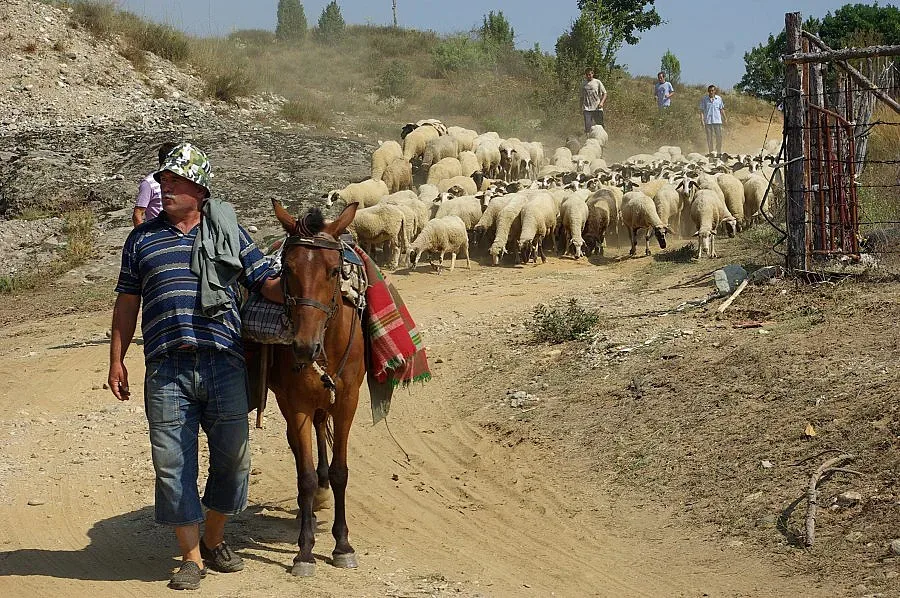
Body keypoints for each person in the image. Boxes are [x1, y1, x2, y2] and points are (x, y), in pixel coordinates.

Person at [108, 142, 282, 590]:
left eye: (176, 181)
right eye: (163, 181)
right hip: (166, 367)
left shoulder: (229, 231)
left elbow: (265, 283)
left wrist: (309, 270)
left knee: (235, 461)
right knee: (172, 464)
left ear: (200, 190)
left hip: (224, 363)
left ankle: (214, 538)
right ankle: (191, 558)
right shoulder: (141, 239)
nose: (165, 188)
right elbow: (127, 302)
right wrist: (116, 359)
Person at [132, 142, 177, 227]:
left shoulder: (182, 181)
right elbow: (138, 214)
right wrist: (141, 233)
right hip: (157, 231)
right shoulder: (149, 183)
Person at [699, 84, 726, 155]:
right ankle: (711, 152)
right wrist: (702, 120)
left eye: (712, 90)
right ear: (708, 91)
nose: (711, 92)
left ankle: (719, 151)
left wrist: (725, 118)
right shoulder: (704, 99)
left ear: (715, 91)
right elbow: (701, 111)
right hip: (708, 121)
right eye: (710, 91)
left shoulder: (719, 99)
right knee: (709, 138)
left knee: (719, 137)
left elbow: (721, 109)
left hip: (717, 121)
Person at [581, 67, 607, 133]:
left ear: (593, 74)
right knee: (588, 127)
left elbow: (605, 93)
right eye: (587, 75)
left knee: (600, 126)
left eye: (589, 74)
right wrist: (580, 106)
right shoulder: (583, 84)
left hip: (597, 108)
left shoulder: (597, 82)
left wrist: (602, 103)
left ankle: (602, 138)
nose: (588, 76)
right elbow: (582, 96)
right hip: (587, 108)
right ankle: (588, 138)